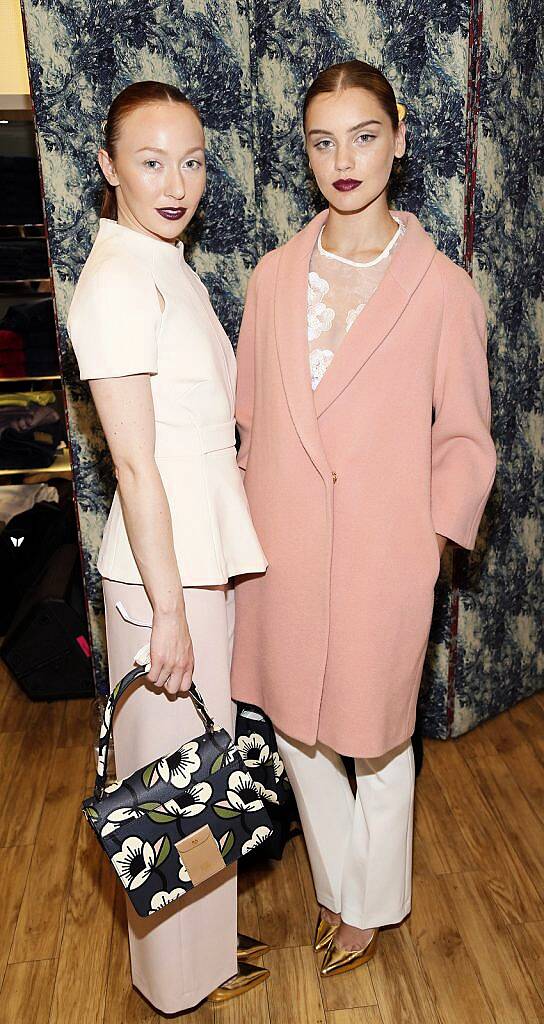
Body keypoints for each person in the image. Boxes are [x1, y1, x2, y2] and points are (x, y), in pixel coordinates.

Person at [230, 60, 496, 976]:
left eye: (364, 135)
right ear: (305, 151)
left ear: (402, 136)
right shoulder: (270, 278)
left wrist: (424, 547)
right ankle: (343, 888)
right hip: (283, 553)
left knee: (379, 740)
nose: (343, 159)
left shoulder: (442, 289)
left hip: (386, 556)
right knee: (298, 729)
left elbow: (464, 439)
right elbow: (251, 423)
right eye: (322, 140)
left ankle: (371, 909)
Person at [67, 81, 269, 1013]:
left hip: (190, 565)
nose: (176, 181)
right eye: (151, 162)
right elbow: (136, 468)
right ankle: (173, 986)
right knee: (165, 789)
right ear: (108, 169)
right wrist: (173, 614)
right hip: (163, 578)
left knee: (200, 773)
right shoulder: (114, 281)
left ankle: (209, 955)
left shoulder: (161, 260)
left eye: (191, 160)